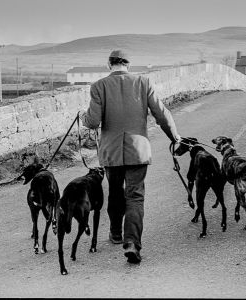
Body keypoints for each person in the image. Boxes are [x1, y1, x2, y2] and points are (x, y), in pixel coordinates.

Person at [80, 49, 180, 264]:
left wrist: (83, 117)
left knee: (115, 193)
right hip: (138, 150)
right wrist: (174, 136)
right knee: (135, 196)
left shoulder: (99, 86)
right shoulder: (144, 83)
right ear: (128, 64)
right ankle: (132, 242)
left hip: (111, 151)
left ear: (109, 65)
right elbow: (161, 113)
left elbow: (92, 122)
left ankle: (116, 234)